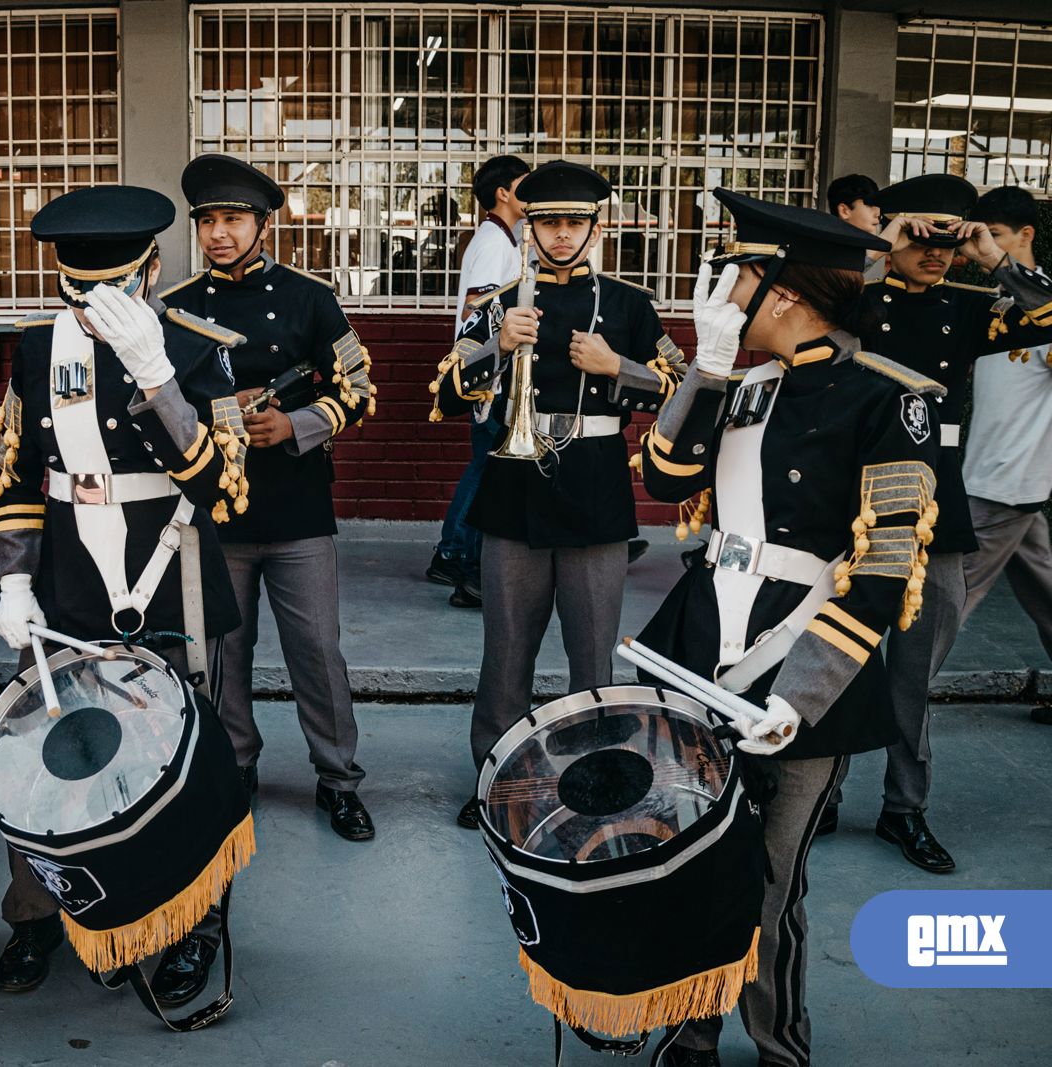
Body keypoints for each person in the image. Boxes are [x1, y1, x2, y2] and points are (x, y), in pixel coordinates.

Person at [638, 189, 936, 1067]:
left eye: (741, 277)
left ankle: (779, 1044)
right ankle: (690, 1034)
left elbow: (882, 572)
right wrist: (708, 364)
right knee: (686, 859)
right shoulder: (740, 385)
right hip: (702, 646)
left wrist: (799, 698)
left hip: (804, 666)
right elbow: (664, 475)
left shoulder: (888, 397)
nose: (725, 290)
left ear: (790, 293)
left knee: (771, 883)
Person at [0, 185, 250, 1009]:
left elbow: (226, 491)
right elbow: (21, 474)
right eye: (76, 295)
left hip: (173, 578)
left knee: (187, 757)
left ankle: (190, 923)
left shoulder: (200, 345)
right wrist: (15, 576)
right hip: (68, 578)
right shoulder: (34, 346)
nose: (92, 312)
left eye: (111, 293)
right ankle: (38, 915)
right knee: (50, 753)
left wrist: (159, 378)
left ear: (153, 270)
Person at [429, 160, 687, 829]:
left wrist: (616, 366)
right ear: (530, 227)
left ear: (596, 227)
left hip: (596, 490)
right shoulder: (501, 299)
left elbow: (682, 392)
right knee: (505, 652)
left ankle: (595, 777)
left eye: (575, 222)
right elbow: (448, 393)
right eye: (549, 221)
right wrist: (492, 349)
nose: (562, 234)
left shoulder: (629, 304)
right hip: (514, 491)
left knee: (591, 653)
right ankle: (496, 778)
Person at [824, 174, 1052, 870]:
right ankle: (819, 791)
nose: (934, 251)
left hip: (936, 508)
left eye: (947, 237)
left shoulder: (972, 307)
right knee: (836, 656)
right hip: (855, 502)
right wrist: (875, 248)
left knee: (914, 672)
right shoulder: (856, 300)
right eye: (921, 234)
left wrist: (994, 259)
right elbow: (809, 314)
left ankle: (905, 808)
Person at [159, 153, 375, 841]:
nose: (218, 233)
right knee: (223, 652)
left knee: (317, 648)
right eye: (208, 221)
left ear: (263, 223)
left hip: (298, 506)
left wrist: (295, 423)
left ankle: (338, 778)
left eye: (233, 219)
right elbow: (157, 404)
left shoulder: (310, 298)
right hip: (213, 513)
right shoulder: (177, 307)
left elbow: (358, 389)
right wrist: (223, 409)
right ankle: (235, 767)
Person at [954, 186, 1052, 728]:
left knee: (946, 605)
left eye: (995, 236)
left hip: (1003, 486)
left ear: (1025, 236)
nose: (983, 245)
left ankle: (898, 696)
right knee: (1046, 588)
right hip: (999, 481)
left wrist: (996, 263)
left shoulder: (1044, 309)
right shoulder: (998, 308)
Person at [428, 154, 529, 606]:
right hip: (491, 372)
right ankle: (453, 553)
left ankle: (453, 551)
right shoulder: (493, 242)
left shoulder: (506, 239)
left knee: (484, 464)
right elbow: (479, 310)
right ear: (504, 192)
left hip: (496, 370)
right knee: (486, 464)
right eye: (525, 184)